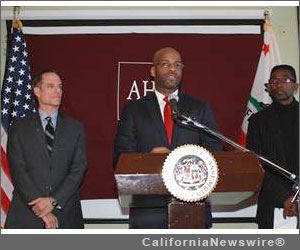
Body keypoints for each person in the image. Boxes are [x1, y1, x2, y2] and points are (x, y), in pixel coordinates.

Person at [114, 47, 221, 229]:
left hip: (192, 208)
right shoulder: (133, 110)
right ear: (153, 71)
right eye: (166, 64)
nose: (172, 68)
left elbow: (215, 152)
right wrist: (148, 159)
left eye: (177, 64)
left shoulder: (199, 108)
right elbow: (120, 157)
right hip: (148, 211)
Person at [5, 70, 87, 229]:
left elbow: (79, 168)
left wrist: (53, 201)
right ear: (37, 91)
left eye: (60, 87)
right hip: (26, 214)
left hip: (66, 214)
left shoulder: (75, 128)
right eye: (51, 86)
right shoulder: (19, 127)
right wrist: (42, 210)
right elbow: (18, 171)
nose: (58, 91)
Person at [246, 64, 299, 229]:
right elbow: (258, 165)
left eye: (284, 79)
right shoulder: (258, 121)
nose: (278, 84)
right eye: (274, 80)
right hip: (273, 204)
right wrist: (284, 197)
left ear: (295, 86)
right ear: (269, 87)